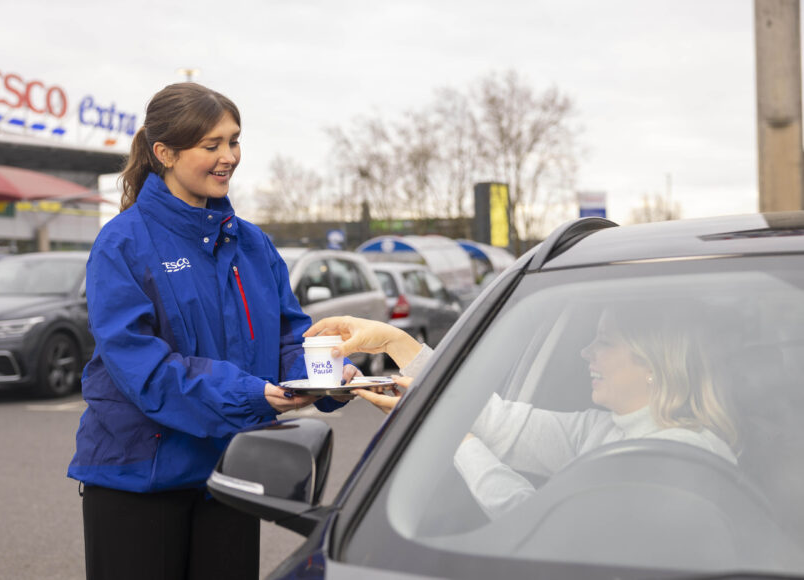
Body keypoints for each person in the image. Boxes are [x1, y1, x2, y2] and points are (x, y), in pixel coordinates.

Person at [67, 83, 355, 580]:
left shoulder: (253, 244)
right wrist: (252, 394)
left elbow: (289, 337)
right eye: (212, 145)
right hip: (139, 479)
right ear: (165, 153)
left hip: (230, 475)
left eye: (235, 141)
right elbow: (144, 368)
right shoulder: (122, 244)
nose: (229, 157)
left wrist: (324, 375)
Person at [306, 304, 739, 519]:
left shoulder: (682, 459)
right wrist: (395, 344)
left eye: (604, 341)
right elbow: (498, 421)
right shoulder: (601, 430)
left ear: (652, 362)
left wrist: (447, 433)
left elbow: (536, 524)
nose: (586, 351)